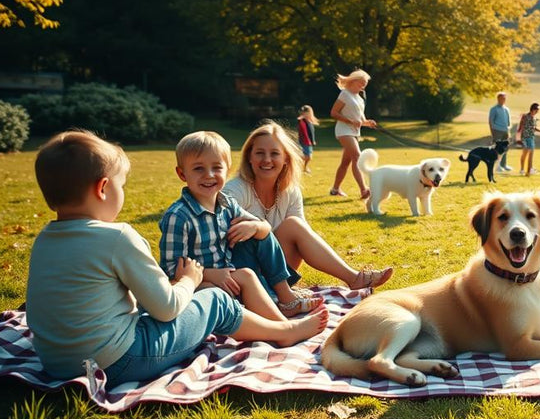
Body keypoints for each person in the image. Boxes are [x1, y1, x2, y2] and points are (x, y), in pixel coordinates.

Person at [26, 130, 327, 385]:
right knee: (216, 302)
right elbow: (166, 308)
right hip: (117, 363)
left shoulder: (44, 240)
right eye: (122, 184)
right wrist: (189, 280)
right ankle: (284, 332)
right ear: (103, 188)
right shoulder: (117, 237)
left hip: (55, 364)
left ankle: (281, 316)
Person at [160, 131, 324, 318]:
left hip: (231, 272)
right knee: (245, 275)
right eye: (198, 169)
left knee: (261, 232)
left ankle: (284, 297)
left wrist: (256, 227)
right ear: (182, 173)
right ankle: (284, 328)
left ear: (227, 169)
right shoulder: (178, 216)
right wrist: (210, 274)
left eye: (216, 168)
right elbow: (171, 269)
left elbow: (264, 229)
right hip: (202, 283)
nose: (209, 175)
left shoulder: (227, 203)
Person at [223, 122, 393, 290]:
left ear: (286, 160)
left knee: (294, 225)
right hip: (243, 276)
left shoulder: (290, 191)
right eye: (259, 153)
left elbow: (302, 238)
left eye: (274, 153)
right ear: (249, 158)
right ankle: (355, 278)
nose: (267, 160)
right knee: (293, 225)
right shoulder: (234, 190)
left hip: (279, 275)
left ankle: (353, 278)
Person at [329, 69, 377, 199]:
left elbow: (360, 121)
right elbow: (333, 113)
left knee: (345, 162)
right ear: (353, 81)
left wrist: (368, 123)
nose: (362, 87)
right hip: (343, 131)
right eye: (360, 84)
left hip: (354, 132)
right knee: (357, 157)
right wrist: (350, 121)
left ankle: (335, 189)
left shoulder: (359, 99)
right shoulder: (345, 94)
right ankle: (364, 190)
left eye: (364, 85)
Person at [514, 102, 540, 176]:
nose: (537, 111)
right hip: (525, 137)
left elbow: (534, 128)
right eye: (537, 110)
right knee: (526, 154)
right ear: (533, 109)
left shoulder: (534, 118)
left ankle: (529, 169)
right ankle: (524, 170)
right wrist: (518, 138)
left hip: (531, 137)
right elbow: (520, 127)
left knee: (530, 153)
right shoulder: (525, 116)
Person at [488, 92, 513, 172]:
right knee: (497, 150)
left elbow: (508, 122)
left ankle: (503, 165)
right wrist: (493, 134)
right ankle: (497, 166)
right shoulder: (494, 109)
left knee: (505, 149)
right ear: (498, 99)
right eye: (501, 98)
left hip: (505, 131)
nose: (503, 100)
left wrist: (508, 132)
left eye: (504, 98)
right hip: (497, 131)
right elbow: (491, 122)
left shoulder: (507, 109)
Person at [297, 105, 318, 174]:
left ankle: (304, 168)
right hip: (305, 141)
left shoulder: (309, 122)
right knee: (308, 156)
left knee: (309, 157)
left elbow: (311, 133)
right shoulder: (302, 121)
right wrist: (307, 141)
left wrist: (313, 140)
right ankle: (302, 167)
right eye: (304, 112)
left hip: (309, 142)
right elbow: (304, 132)